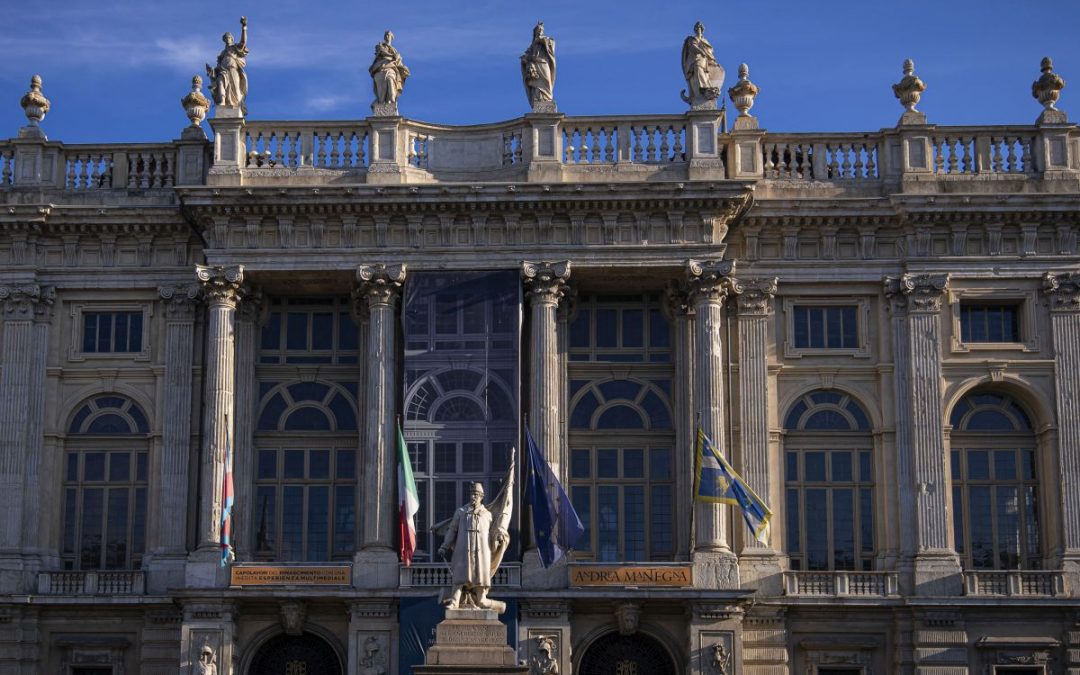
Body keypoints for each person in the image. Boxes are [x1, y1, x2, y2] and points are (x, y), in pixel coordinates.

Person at [438, 482, 508, 609]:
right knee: (460, 576)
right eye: (471, 494)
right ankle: (455, 600)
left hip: (482, 554)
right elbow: (452, 530)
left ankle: (489, 602)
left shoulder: (488, 515)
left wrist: (499, 538)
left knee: (481, 584)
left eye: (476, 494)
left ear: (482, 496)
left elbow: (493, 534)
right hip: (463, 551)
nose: (473, 497)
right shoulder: (460, 512)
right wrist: (444, 546)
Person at [206, 17, 249, 113]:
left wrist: (244, 27)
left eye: (228, 37)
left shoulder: (235, 48)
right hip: (223, 71)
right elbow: (218, 66)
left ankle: (237, 107)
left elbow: (243, 42)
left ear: (232, 39)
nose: (227, 39)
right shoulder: (223, 53)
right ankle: (221, 102)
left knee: (236, 92)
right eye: (225, 38)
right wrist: (212, 71)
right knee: (220, 84)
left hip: (233, 70)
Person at [681, 22, 721, 107]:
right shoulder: (692, 39)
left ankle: (706, 88)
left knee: (703, 72)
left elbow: (710, 52)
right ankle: (703, 89)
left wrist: (712, 60)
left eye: (700, 28)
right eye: (697, 28)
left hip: (704, 60)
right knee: (698, 69)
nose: (698, 30)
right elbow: (692, 47)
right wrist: (701, 51)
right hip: (695, 59)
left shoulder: (705, 41)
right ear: (695, 30)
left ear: (702, 30)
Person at [369, 31, 410, 107]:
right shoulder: (380, 46)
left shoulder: (395, 51)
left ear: (391, 37)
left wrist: (404, 69)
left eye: (388, 35)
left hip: (391, 69)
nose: (387, 36)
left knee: (391, 82)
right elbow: (382, 52)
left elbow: (398, 62)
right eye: (386, 35)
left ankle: (392, 102)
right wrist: (393, 56)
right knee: (381, 91)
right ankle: (381, 105)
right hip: (380, 68)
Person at [520, 22, 556, 108]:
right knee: (536, 84)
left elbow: (551, 46)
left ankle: (546, 99)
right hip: (535, 65)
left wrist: (542, 40)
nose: (540, 31)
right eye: (538, 29)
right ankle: (538, 100)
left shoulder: (546, 39)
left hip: (544, 64)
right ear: (535, 31)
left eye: (541, 30)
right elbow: (527, 56)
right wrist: (524, 60)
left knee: (546, 81)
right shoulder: (532, 46)